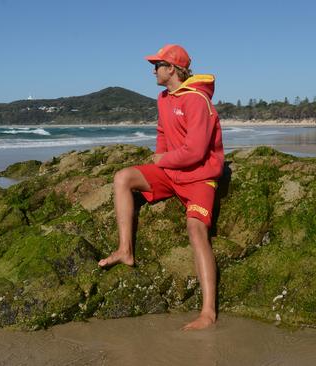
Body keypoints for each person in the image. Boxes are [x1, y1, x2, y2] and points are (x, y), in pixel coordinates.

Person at [98, 44, 224, 330]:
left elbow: (195, 150)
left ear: (173, 69)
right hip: (171, 173)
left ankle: (208, 313)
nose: (153, 70)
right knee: (123, 177)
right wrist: (161, 160)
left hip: (199, 178)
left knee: (196, 230)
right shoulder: (163, 98)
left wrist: (164, 159)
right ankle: (125, 250)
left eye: (157, 65)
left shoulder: (197, 100)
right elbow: (163, 134)